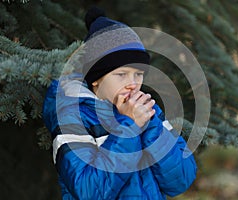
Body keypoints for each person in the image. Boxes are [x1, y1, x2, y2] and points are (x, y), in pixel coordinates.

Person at [43, 7, 197, 200]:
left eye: (139, 74)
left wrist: (151, 126)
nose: (133, 83)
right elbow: (89, 192)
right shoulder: (73, 116)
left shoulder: (148, 111)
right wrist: (129, 127)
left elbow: (180, 181)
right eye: (121, 74)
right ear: (96, 79)